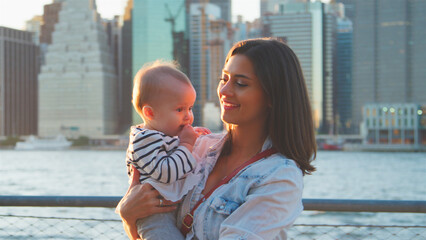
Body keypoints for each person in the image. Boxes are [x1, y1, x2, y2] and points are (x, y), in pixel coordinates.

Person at [117, 38, 316, 240]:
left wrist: (129, 213)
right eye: (224, 79)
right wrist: (128, 215)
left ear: (272, 96)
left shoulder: (279, 177)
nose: (224, 91)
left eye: (240, 83)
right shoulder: (200, 147)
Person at [121, 60, 210, 239]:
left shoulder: (165, 134)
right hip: (154, 215)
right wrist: (187, 144)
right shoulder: (143, 140)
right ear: (150, 113)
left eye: (190, 108)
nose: (188, 116)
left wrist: (194, 137)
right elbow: (167, 172)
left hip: (173, 208)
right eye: (179, 109)